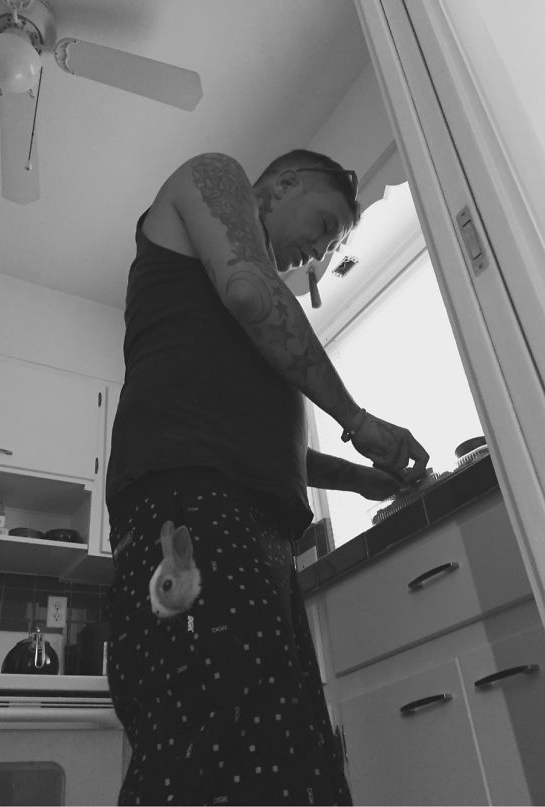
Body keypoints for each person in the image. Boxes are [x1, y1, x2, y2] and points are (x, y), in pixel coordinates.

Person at [105, 148, 429, 806]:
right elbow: (252, 292)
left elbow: (248, 437)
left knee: (285, 764)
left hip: (245, 529)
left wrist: (357, 479)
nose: (321, 246)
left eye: (333, 240)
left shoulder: (222, 324)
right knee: (203, 749)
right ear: (282, 184)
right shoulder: (216, 177)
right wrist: (356, 418)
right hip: (188, 515)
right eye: (325, 222)